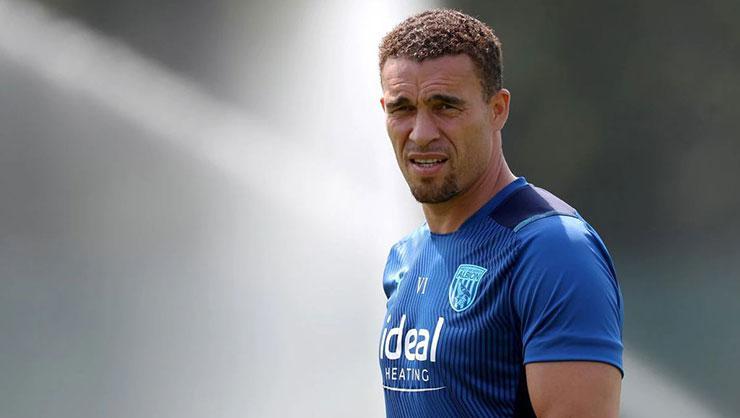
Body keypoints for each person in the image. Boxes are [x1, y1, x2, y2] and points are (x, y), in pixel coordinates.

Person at [377, 9, 623, 418]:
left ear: (498, 109)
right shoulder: (404, 257)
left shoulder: (553, 251)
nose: (421, 133)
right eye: (402, 108)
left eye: (445, 106)